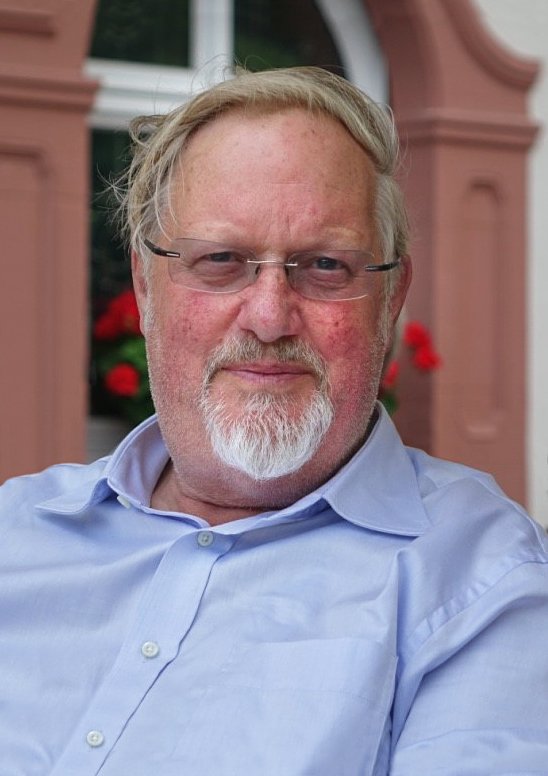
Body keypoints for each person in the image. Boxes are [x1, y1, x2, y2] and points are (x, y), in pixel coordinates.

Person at [1, 66, 547, 775]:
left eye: (324, 265)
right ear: (144, 286)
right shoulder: (16, 531)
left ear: (390, 300)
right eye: (221, 260)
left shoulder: (481, 577)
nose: (268, 317)